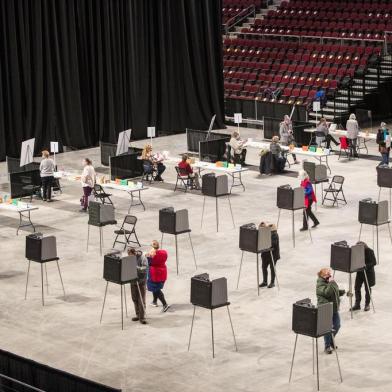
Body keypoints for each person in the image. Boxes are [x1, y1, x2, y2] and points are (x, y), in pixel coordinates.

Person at [316, 268, 345, 354]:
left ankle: (331, 340)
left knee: (337, 325)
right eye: (327, 272)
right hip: (326, 308)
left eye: (329, 272)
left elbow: (334, 291)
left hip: (334, 308)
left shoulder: (330, 280)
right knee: (327, 329)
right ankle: (327, 346)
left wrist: (341, 292)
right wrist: (332, 282)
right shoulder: (320, 284)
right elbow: (327, 293)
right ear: (322, 275)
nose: (329, 273)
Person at [352, 242, 376, 312]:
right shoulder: (357, 252)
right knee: (357, 287)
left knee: (367, 289)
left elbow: (374, 262)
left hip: (368, 273)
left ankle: (367, 304)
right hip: (360, 273)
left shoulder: (370, 251)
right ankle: (357, 304)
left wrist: (365, 266)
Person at [147, 240, 170, 312]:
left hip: (155, 274)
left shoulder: (151, 257)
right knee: (156, 288)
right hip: (163, 272)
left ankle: (165, 304)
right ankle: (154, 301)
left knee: (156, 289)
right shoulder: (164, 253)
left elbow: (148, 263)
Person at [128, 248, 148, 324]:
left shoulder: (143, 258)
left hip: (141, 281)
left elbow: (145, 268)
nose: (130, 258)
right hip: (133, 281)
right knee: (134, 298)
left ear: (135, 253)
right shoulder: (129, 258)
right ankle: (138, 314)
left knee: (141, 300)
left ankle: (142, 317)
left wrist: (137, 268)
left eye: (131, 256)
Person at [259, 222, 280, 288]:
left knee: (272, 268)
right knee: (264, 267)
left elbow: (272, 244)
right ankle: (265, 282)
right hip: (265, 254)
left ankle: (272, 282)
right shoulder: (264, 234)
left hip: (273, 255)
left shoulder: (274, 234)